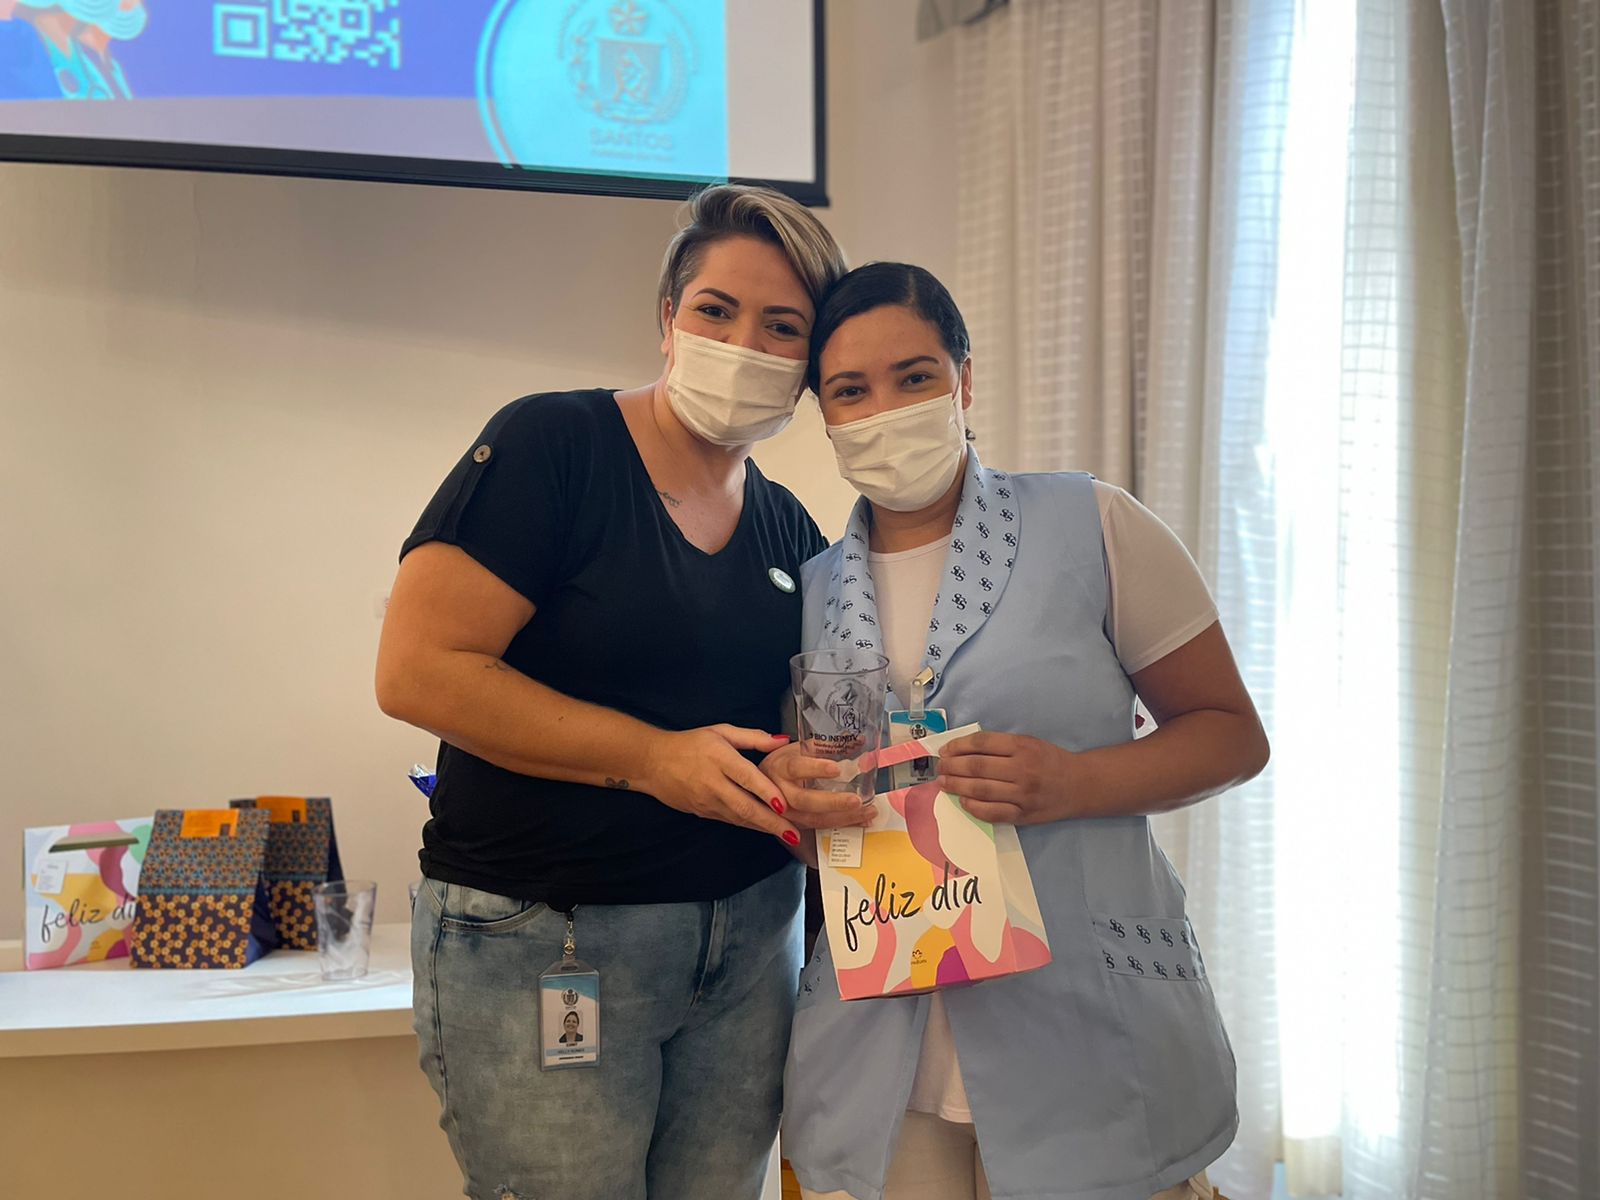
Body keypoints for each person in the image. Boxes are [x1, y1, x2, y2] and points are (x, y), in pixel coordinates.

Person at [375, 184, 860, 1200]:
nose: (744, 344)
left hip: (747, 947)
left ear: (810, 366)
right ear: (668, 318)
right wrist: (650, 759)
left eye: (783, 327)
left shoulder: (790, 529)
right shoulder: (554, 448)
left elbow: (790, 729)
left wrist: (808, 782)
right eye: (717, 310)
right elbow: (418, 669)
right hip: (546, 939)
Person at [765, 263, 1270, 1200]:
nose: (885, 409)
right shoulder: (814, 586)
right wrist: (802, 810)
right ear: (823, 416)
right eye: (850, 391)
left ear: (964, 379)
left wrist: (1075, 782)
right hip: (881, 1052)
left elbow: (1232, 734)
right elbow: (811, 821)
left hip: (1084, 1035)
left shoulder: (1094, 525)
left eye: (915, 377)